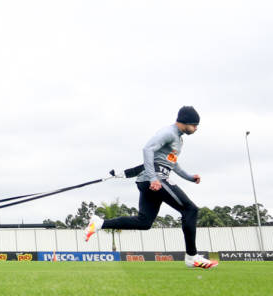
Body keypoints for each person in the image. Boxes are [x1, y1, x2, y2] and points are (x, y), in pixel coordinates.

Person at [84, 106, 217, 269]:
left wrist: (189, 177)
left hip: (150, 180)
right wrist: (153, 178)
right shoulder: (168, 133)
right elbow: (147, 149)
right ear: (185, 121)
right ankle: (192, 257)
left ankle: (99, 223)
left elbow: (172, 163)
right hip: (155, 179)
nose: (196, 128)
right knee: (190, 210)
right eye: (194, 125)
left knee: (144, 222)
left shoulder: (179, 140)